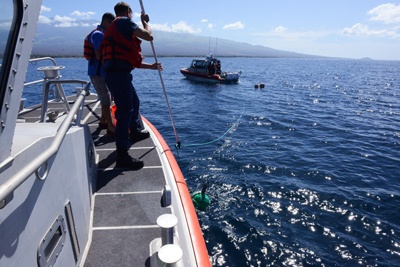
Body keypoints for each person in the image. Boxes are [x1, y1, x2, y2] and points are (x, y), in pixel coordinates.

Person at [101, 2, 162, 169]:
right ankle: (122, 155)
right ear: (128, 12)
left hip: (118, 74)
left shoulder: (115, 27)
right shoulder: (123, 22)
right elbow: (149, 36)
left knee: (134, 102)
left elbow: (128, 59)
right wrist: (145, 22)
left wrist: (151, 66)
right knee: (124, 113)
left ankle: (134, 132)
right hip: (118, 75)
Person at [84, 12, 116, 135]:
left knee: (105, 97)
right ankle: (110, 126)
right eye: (111, 24)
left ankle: (103, 121)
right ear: (106, 22)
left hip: (99, 72)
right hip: (98, 73)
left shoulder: (99, 33)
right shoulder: (98, 35)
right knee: (106, 99)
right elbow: (99, 54)